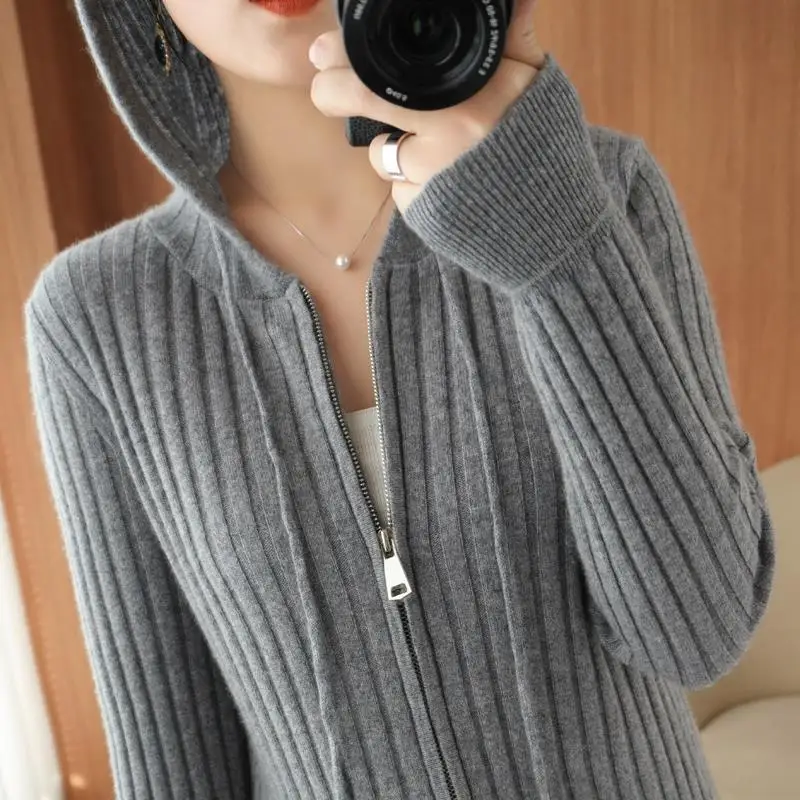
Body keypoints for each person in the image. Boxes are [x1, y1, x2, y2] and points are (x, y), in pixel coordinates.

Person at [23, 0, 776, 797]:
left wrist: (558, 244)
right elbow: (172, 768)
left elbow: (699, 635)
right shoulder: (95, 320)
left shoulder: (602, 195)